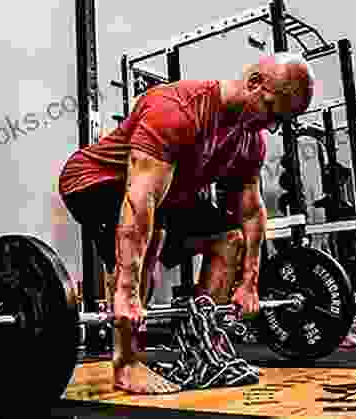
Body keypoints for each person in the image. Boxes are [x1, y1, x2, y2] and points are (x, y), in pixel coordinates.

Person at [59, 53, 315, 394]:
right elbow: (140, 200)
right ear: (254, 83)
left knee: (228, 239)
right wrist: (126, 292)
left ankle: (201, 349)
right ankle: (127, 363)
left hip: (163, 195)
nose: (271, 124)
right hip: (94, 179)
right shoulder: (178, 109)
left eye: (280, 120)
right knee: (152, 240)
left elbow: (251, 213)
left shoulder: (250, 140)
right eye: (270, 109)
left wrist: (250, 282)